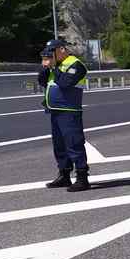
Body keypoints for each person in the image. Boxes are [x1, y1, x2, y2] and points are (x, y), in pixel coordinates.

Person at [38, 39, 91, 192]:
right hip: (55, 110)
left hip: (69, 111)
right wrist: (44, 69)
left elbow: (65, 83)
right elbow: (43, 82)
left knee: (74, 143)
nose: (49, 56)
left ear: (61, 49)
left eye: (51, 52)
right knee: (59, 145)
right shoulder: (57, 66)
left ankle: (82, 178)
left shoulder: (75, 64)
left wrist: (54, 68)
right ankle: (64, 175)